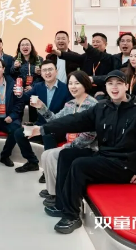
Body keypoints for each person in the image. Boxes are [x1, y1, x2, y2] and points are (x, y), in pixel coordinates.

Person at [31, 70, 136, 234]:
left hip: (124, 166)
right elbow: (75, 121)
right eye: (110, 84)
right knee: (66, 155)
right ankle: (62, 204)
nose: (114, 87)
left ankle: (72, 216)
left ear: (126, 86)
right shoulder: (102, 108)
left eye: (119, 83)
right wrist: (43, 129)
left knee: (80, 165)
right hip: (104, 157)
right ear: (105, 87)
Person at [30, 71, 97, 207]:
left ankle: (58, 193)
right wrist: (41, 107)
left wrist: (68, 147)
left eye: (77, 83)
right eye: (70, 83)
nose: (73, 86)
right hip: (71, 144)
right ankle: (53, 191)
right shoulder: (70, 104)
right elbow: (55, 121)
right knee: (46, 154)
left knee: (53, 155)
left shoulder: (93, 105)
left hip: (87, 148)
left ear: (85, 84)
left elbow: (90, 134)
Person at [13, 60, 72, 176]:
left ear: (56, 71)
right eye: (44, 70)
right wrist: (19, 94)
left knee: (47, 134)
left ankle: (49, 171)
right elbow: (25, 98)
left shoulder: (66, 89)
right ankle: (32, 162)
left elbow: (68, 114)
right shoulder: (38, 86)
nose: (47, 72)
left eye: (50, 69)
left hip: (59, 127)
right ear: (41, 73)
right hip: (41, 125)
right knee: (19, 133)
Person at [11, 37, 44, 124]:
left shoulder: (39, 59)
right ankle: (18, 127)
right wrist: (15, 68)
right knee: (18, 112)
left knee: (34, 112)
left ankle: (34, 127)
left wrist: (33, 86)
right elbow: (12, 74)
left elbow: (43, 77)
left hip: (34, 90)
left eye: (27, 45)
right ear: (19, 48)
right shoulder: (15, 60)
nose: (25, 47)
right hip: (20, 90)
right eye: (22, 45)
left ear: (31, 47)